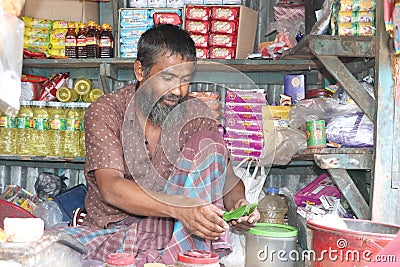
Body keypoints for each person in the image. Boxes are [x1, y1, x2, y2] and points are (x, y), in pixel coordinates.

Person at [63, 24, 260, 266]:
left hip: (176, 233)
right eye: (167, 77)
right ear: (140, 71)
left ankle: (186, 258)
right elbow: (111, 187)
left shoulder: (195, 113)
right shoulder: (107, 110)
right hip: (114, 231)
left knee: (209, 143)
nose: (178, 90)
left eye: (185, 80)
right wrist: (181, 209)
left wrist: (239, 205)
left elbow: (227, 181)